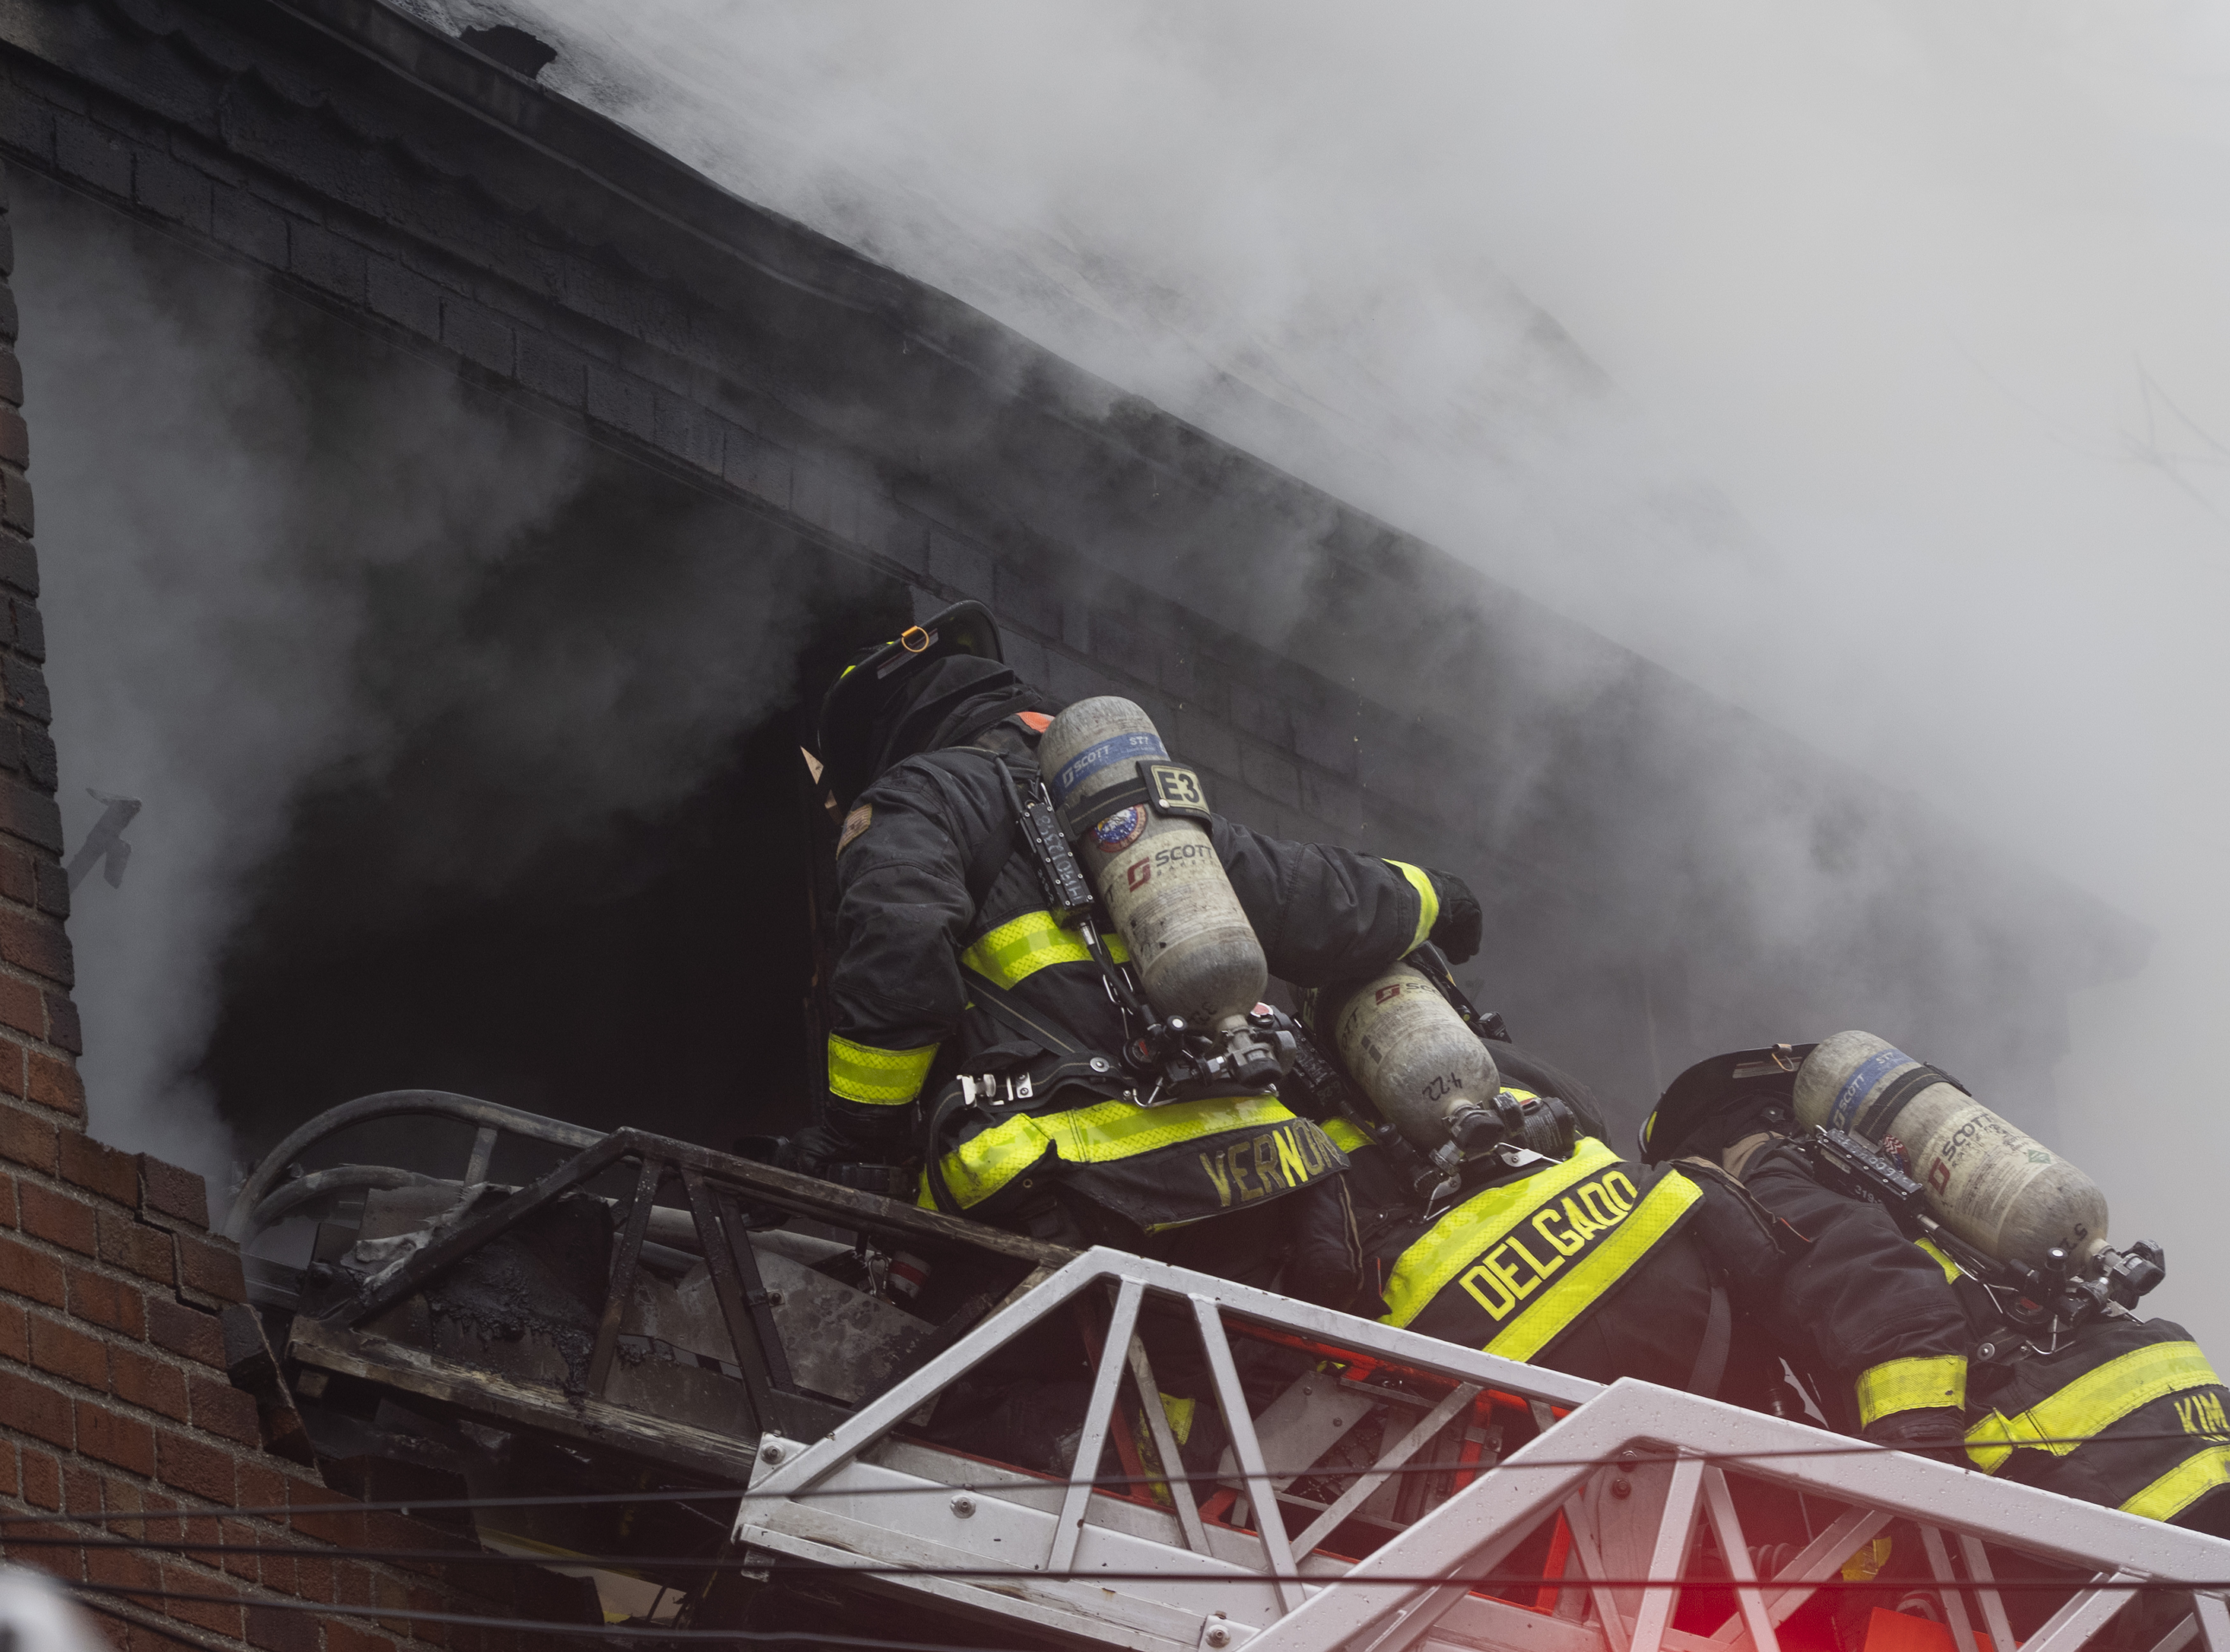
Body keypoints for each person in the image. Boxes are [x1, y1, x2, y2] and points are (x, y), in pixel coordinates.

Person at [802, 599, 1483, 1281]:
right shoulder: (1132, 809)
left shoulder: (921, 794)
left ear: (882, 735)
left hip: (1070, 1191)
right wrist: (1435, 896)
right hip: (1264, 1180)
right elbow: (1303, 899)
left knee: (998, 1385)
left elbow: (898, 941)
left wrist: (859, 1131)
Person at [1638, 1045, 2230, 1535]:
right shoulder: (1885, 1181)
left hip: (2084, 1467)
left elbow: (1885, 1294)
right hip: (2187, 1420)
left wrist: (1916, 1474)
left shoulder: (1766, 1181)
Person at [1283, 1036, 1972, 1427]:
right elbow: (1812, 1275)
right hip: (1668, 1428)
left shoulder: (1315, 1150)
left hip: (1499, 1420)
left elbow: (1320, 1269)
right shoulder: (1705, 1186)